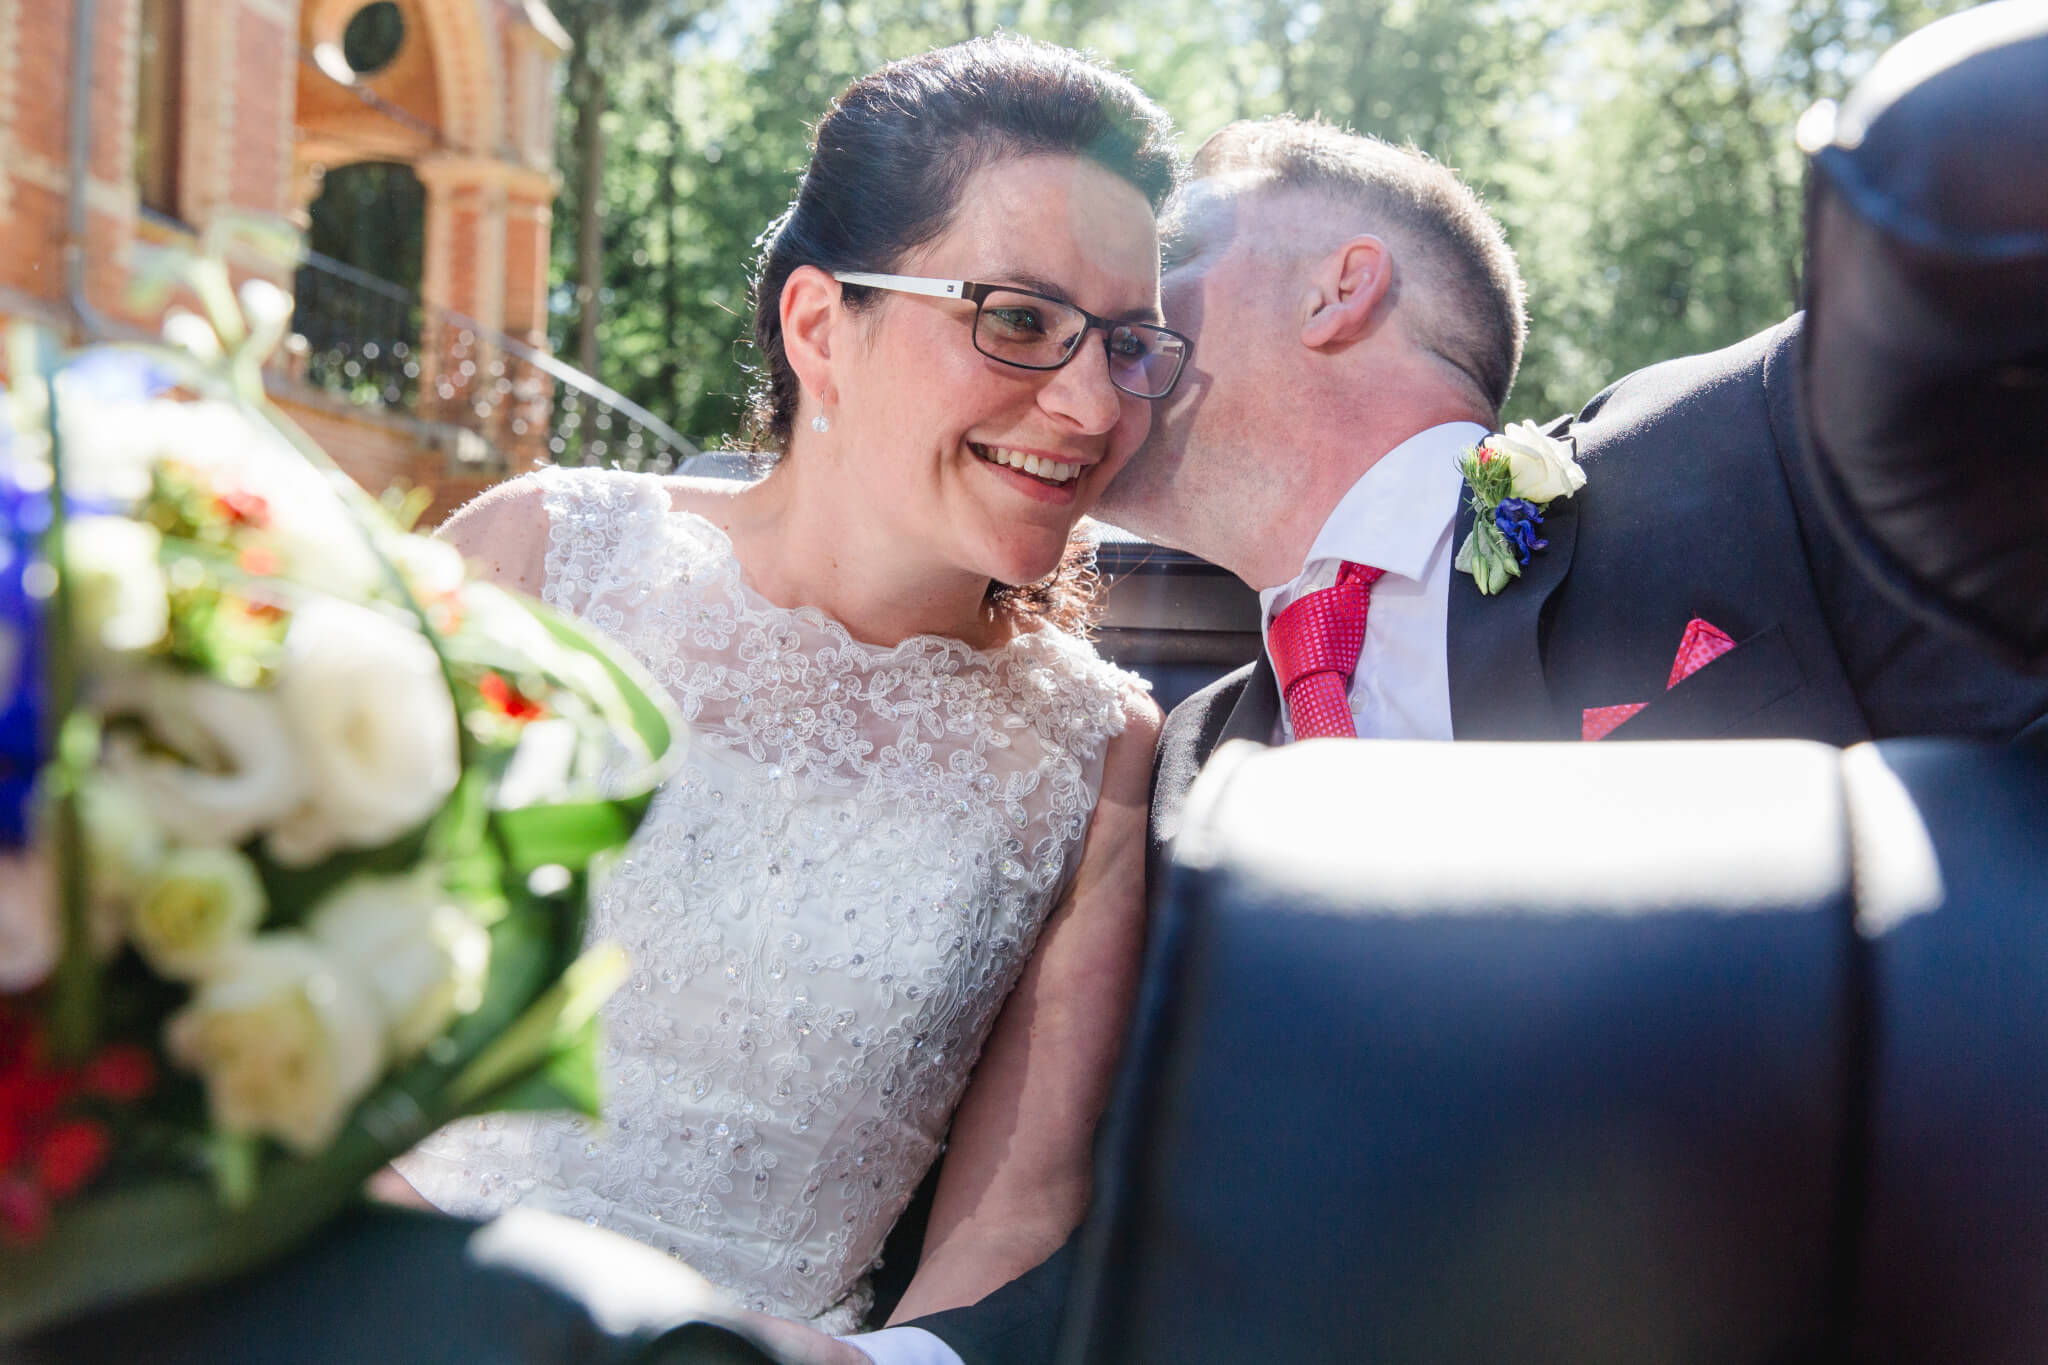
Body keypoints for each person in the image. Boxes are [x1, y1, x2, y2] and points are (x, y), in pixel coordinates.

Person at [852, 112, 2048, 1365]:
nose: (1108, 318)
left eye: (1164, 261)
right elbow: (1169, 1207)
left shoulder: (1745, 439)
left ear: (1340, 287)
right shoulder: (1184, 771)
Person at [390, 35, 1179, 1338]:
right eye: (1021, 321)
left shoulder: (1098, 751)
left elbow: (1013, 1211)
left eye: (1131, 342)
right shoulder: (539, 562)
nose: (1094, 407)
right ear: (822, 324)